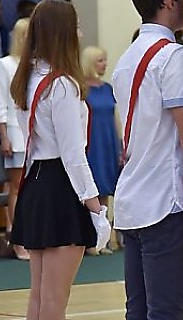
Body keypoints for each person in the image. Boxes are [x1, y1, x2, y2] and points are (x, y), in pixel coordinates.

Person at [10, 0, 109, 319]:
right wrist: (96, 206)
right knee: (54, 301)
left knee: (39, 298)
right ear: (63, 32)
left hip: (37, 183)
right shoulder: (62, 84)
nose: (80, 31)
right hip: (60, 187)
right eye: (76, 25)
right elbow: (72, 154)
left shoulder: (28, 77)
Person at [111, 0, 183, 320]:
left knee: (141, 312)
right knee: (167, 313)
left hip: (134, 198)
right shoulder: (173, 57)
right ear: (168, 1)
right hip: (167, 201)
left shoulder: (126, 58)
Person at [0, 18, 30, 261]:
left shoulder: (35, 63)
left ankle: (30, 235)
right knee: (16, 187)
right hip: (15, 133)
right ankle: (17, 238)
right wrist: (4, 136)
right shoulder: (5, 64)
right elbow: (1, 104)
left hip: (33, 133)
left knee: (31, 188)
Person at [81, 45, 120, 253]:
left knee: (105, 189)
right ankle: (89, 240)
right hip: (91, 143)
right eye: (99, 60)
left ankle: (103, 239)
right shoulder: (82, 89)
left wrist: (120, 142)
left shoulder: (107, 88)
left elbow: (115, 117)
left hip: (107, 142)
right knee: (91, 189)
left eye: (105, 60)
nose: (104, 64)